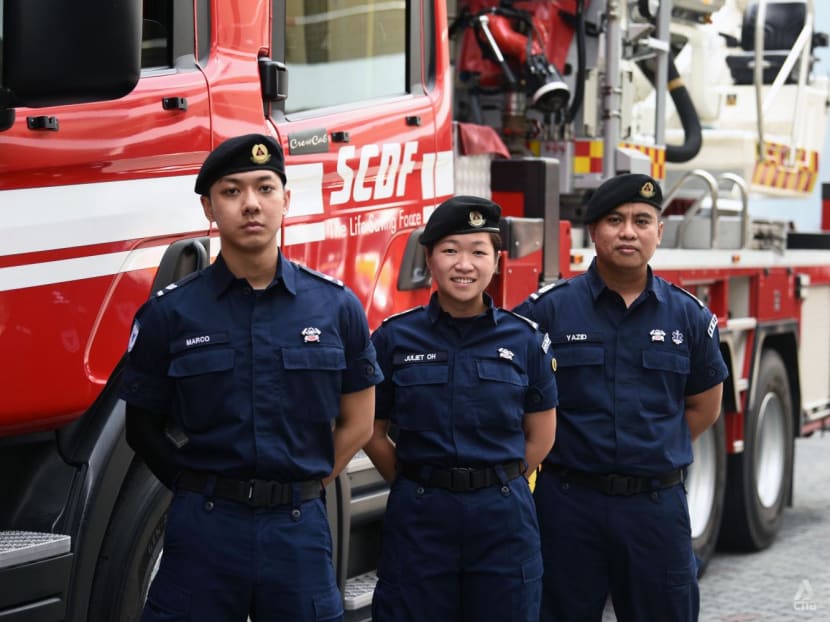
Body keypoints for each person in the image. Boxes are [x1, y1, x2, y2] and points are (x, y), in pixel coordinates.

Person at [119, 133, 383, 621]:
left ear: (287, 198)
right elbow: (142, 428)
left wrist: (306, 482)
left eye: (265, 188)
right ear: (209, 208)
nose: (251, 205)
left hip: (297, 530)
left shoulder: (336, 307)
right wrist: (197, 488)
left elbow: (360, 421)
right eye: (232, 191)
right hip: (205, 531)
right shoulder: (171, 314)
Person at [514, 173, 729, 622]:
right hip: (568, 505)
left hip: (654, 509)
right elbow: (514, 400)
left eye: (642, 220)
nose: (628, 231)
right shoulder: (547, 311)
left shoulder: (688, 316)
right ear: (593, 231)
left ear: (659, 231)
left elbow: (704, 408)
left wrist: (647, 451)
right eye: (615, 220)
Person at [364, 195, 558, 621]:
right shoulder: (395, 339)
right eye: (450, 250)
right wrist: (418, 481)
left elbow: (541, 435)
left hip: (501, 517)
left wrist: (495, 480)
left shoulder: (525, 339)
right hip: (421, 515)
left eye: (478, 252)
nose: (464, 264)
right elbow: (371, 430)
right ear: (429, 258)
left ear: (496, 260)